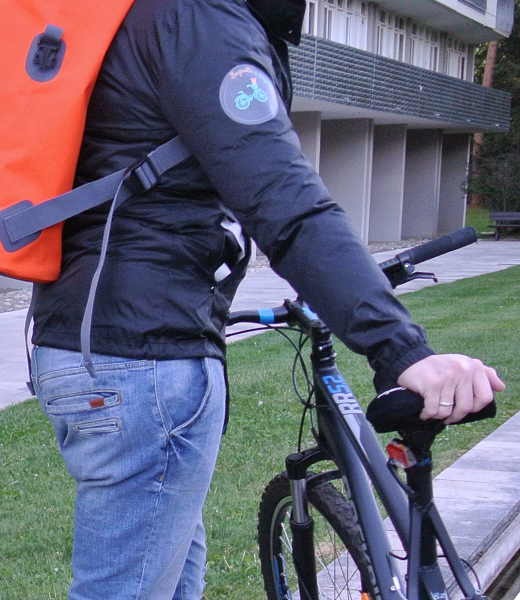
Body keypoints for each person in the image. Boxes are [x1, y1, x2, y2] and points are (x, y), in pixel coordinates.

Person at [30, 0, 505, 598]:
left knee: (170, 584)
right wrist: (401, 349)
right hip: (143, 358)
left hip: (93, 342)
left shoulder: (156, 17)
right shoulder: (199, 20)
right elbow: (285, 201)